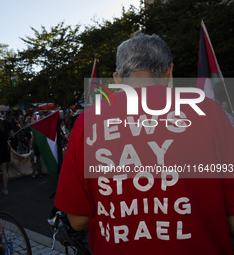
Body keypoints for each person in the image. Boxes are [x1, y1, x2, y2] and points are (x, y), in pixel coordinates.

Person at [54, 31, 234, 255]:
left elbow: (78, 219)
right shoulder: (208, 111)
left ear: (118, 78)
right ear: (169, 71)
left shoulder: (87, 121)